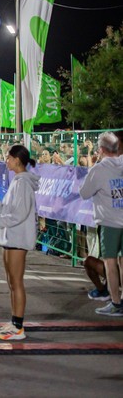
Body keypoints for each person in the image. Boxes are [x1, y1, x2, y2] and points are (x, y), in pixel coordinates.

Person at [0, 145, 40, 341]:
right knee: (11, 282)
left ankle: (18, 327)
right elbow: (10, 208)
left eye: (8, 158)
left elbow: (19, 214)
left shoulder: (23, 183)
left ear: (17, 160)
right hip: (10, 237)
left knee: (16, 282)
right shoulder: (17, 181)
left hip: (17, 238)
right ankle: (14, 322)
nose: (6, 161)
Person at [78, 132, 123, 316]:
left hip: (110, 222)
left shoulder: (99, 169)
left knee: (110, 264)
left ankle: (115, 302)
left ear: (102, 150)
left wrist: (95, 163)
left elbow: (84, 193)